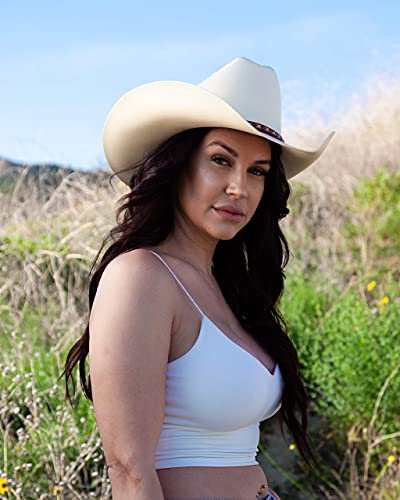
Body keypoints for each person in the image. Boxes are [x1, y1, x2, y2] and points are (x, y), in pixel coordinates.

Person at [61, 56, 335, 499]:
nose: (239, 188)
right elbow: (129, 469)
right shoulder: (140, 277)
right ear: (178, 164)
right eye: (220, 160)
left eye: (257, 171)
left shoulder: (229, 289)